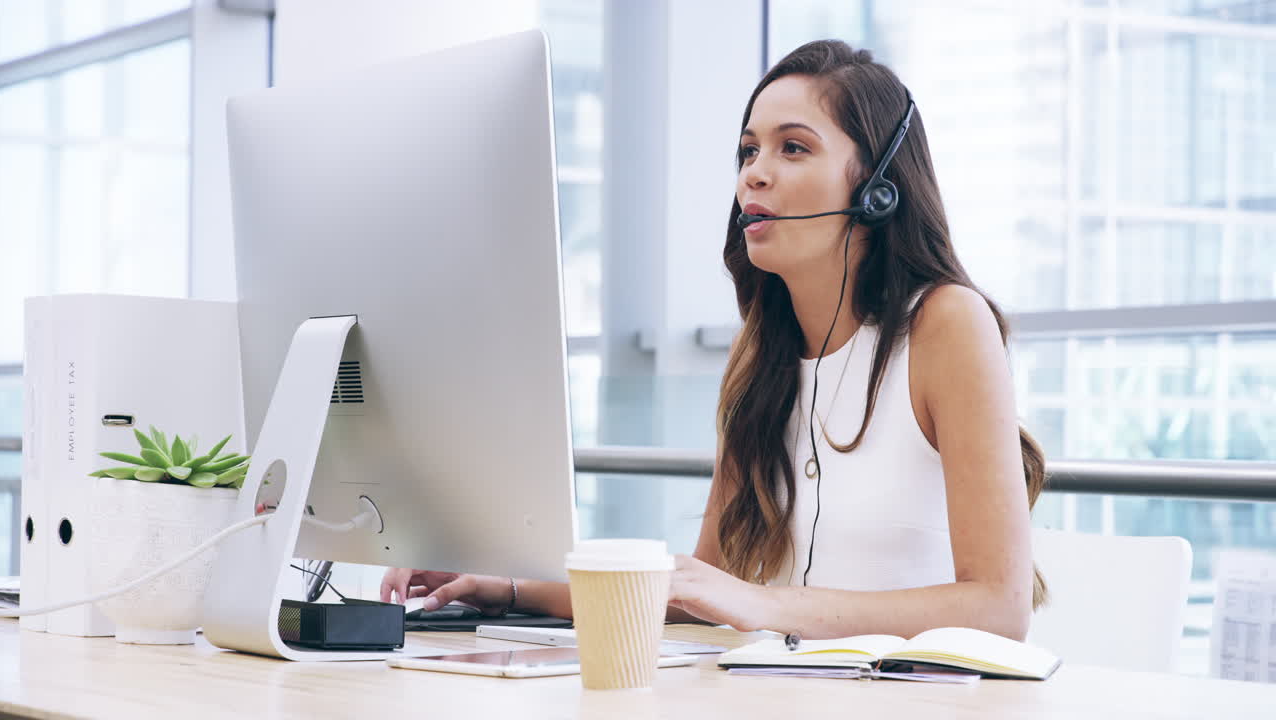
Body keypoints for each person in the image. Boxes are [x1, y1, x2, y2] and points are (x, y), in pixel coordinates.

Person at [381, 39, 1047, 642]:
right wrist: (504, 586)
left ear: (877, 189)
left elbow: (999, 607)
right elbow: (700, 591)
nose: (754, 173)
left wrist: (765, 603)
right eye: (748, 151)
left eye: (792, 148)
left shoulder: (946, 324)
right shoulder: (759, 353)